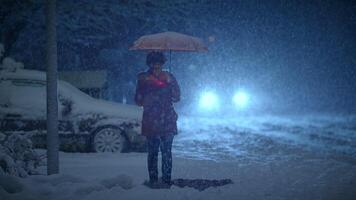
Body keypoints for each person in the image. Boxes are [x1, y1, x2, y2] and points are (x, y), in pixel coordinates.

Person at [134, 51, 180, 188]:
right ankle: (153, 180)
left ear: (162, 64)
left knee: (167, 153)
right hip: (151, 121)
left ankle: (166, 180)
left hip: (167, 120)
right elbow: (138, 100)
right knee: (153, 153)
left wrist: (170, 85)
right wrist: (149, 96)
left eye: (159, 63)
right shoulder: (143, 79)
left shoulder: (169, 77)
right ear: (149, 64)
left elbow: (177, 97)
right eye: (154, 64)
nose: (156, 67)